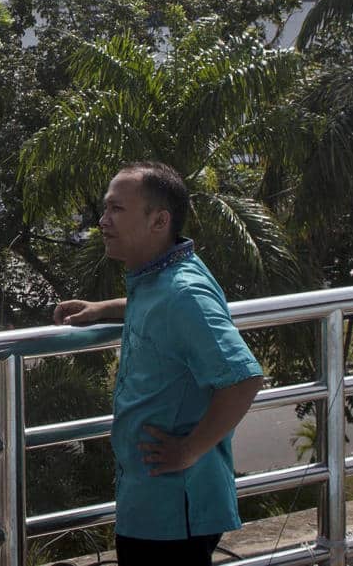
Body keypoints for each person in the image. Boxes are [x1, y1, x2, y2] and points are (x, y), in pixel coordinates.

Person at [55, 162, 263, 566]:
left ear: (159, 221)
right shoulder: (160, 280)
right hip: (152, 502)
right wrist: (102, 309)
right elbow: (154, 308)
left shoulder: (183, 294)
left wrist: (189, 450)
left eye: (117, 210)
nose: (103, 221)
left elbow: (244, 379)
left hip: (174, 508)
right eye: (105, 209)